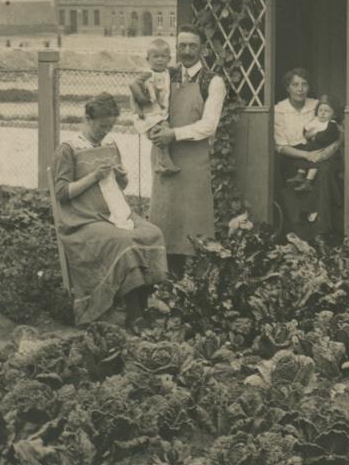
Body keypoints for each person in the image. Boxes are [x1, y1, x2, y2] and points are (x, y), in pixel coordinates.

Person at [52, 93, 168, 331]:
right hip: (82, 220)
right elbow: (61, 193)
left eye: (110, 126)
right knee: (123, 242)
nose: (105, 132)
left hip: (114, 213)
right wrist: (93, 176)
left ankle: (143, 304)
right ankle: (134, 315)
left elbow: (118, 186)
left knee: (153, 233)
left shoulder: (110, 145)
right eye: (101, 126)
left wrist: (121, 178)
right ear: (87, 119)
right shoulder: (68, 149)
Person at [147, 25, 227, 276]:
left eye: (193, 46)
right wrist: (152, 130)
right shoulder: (164, 76)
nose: (187, 51)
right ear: (176, 48)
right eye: (182, 46)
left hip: (193, 163)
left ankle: (196, 281)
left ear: (203, 49)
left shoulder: (212, 82)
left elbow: (209, 126)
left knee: (195, 224)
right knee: (165, 220)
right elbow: (147, 108)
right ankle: (165, 279)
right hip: (165, 159)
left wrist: (174, 134)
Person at [274, 69, 343, 239]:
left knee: (326, 170)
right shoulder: (279, 110)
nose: (300, 89)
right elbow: (281, 147)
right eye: (295, 85)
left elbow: (340, 127)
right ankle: (308, 229)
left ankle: (321, 230)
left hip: (321, 152)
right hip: (294, 157)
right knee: (313, 174)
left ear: (309, 87)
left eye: (304, 84)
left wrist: (334, 146)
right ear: (287, 88)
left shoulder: (316, 105)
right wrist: (307, 156)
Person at [128, 39, 180, 175]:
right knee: (163, 131)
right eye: (155, 56)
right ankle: (164, 162)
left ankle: (160, 163)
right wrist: (141, 99)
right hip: (149, 113)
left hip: (159, 112)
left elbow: (176, 70)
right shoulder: (148, 74)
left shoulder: (167, 72)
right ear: (148, 59)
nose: (159, 60)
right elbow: (132, 84)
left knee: (162, 132)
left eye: (163, 56)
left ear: (169, 59)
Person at [287, 94, 341, 196]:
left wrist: (315, 135)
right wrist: (309, 134)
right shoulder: (316, 120)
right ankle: (300, 174)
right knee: (305, 151)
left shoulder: (332, 124)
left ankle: (308, 181)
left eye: (327, 111)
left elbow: (326, 137)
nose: (323, 113)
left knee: (315, 160)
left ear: (333, 115)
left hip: (325, 151)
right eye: (320, 110)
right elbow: (306, 131)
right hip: (314, 146)